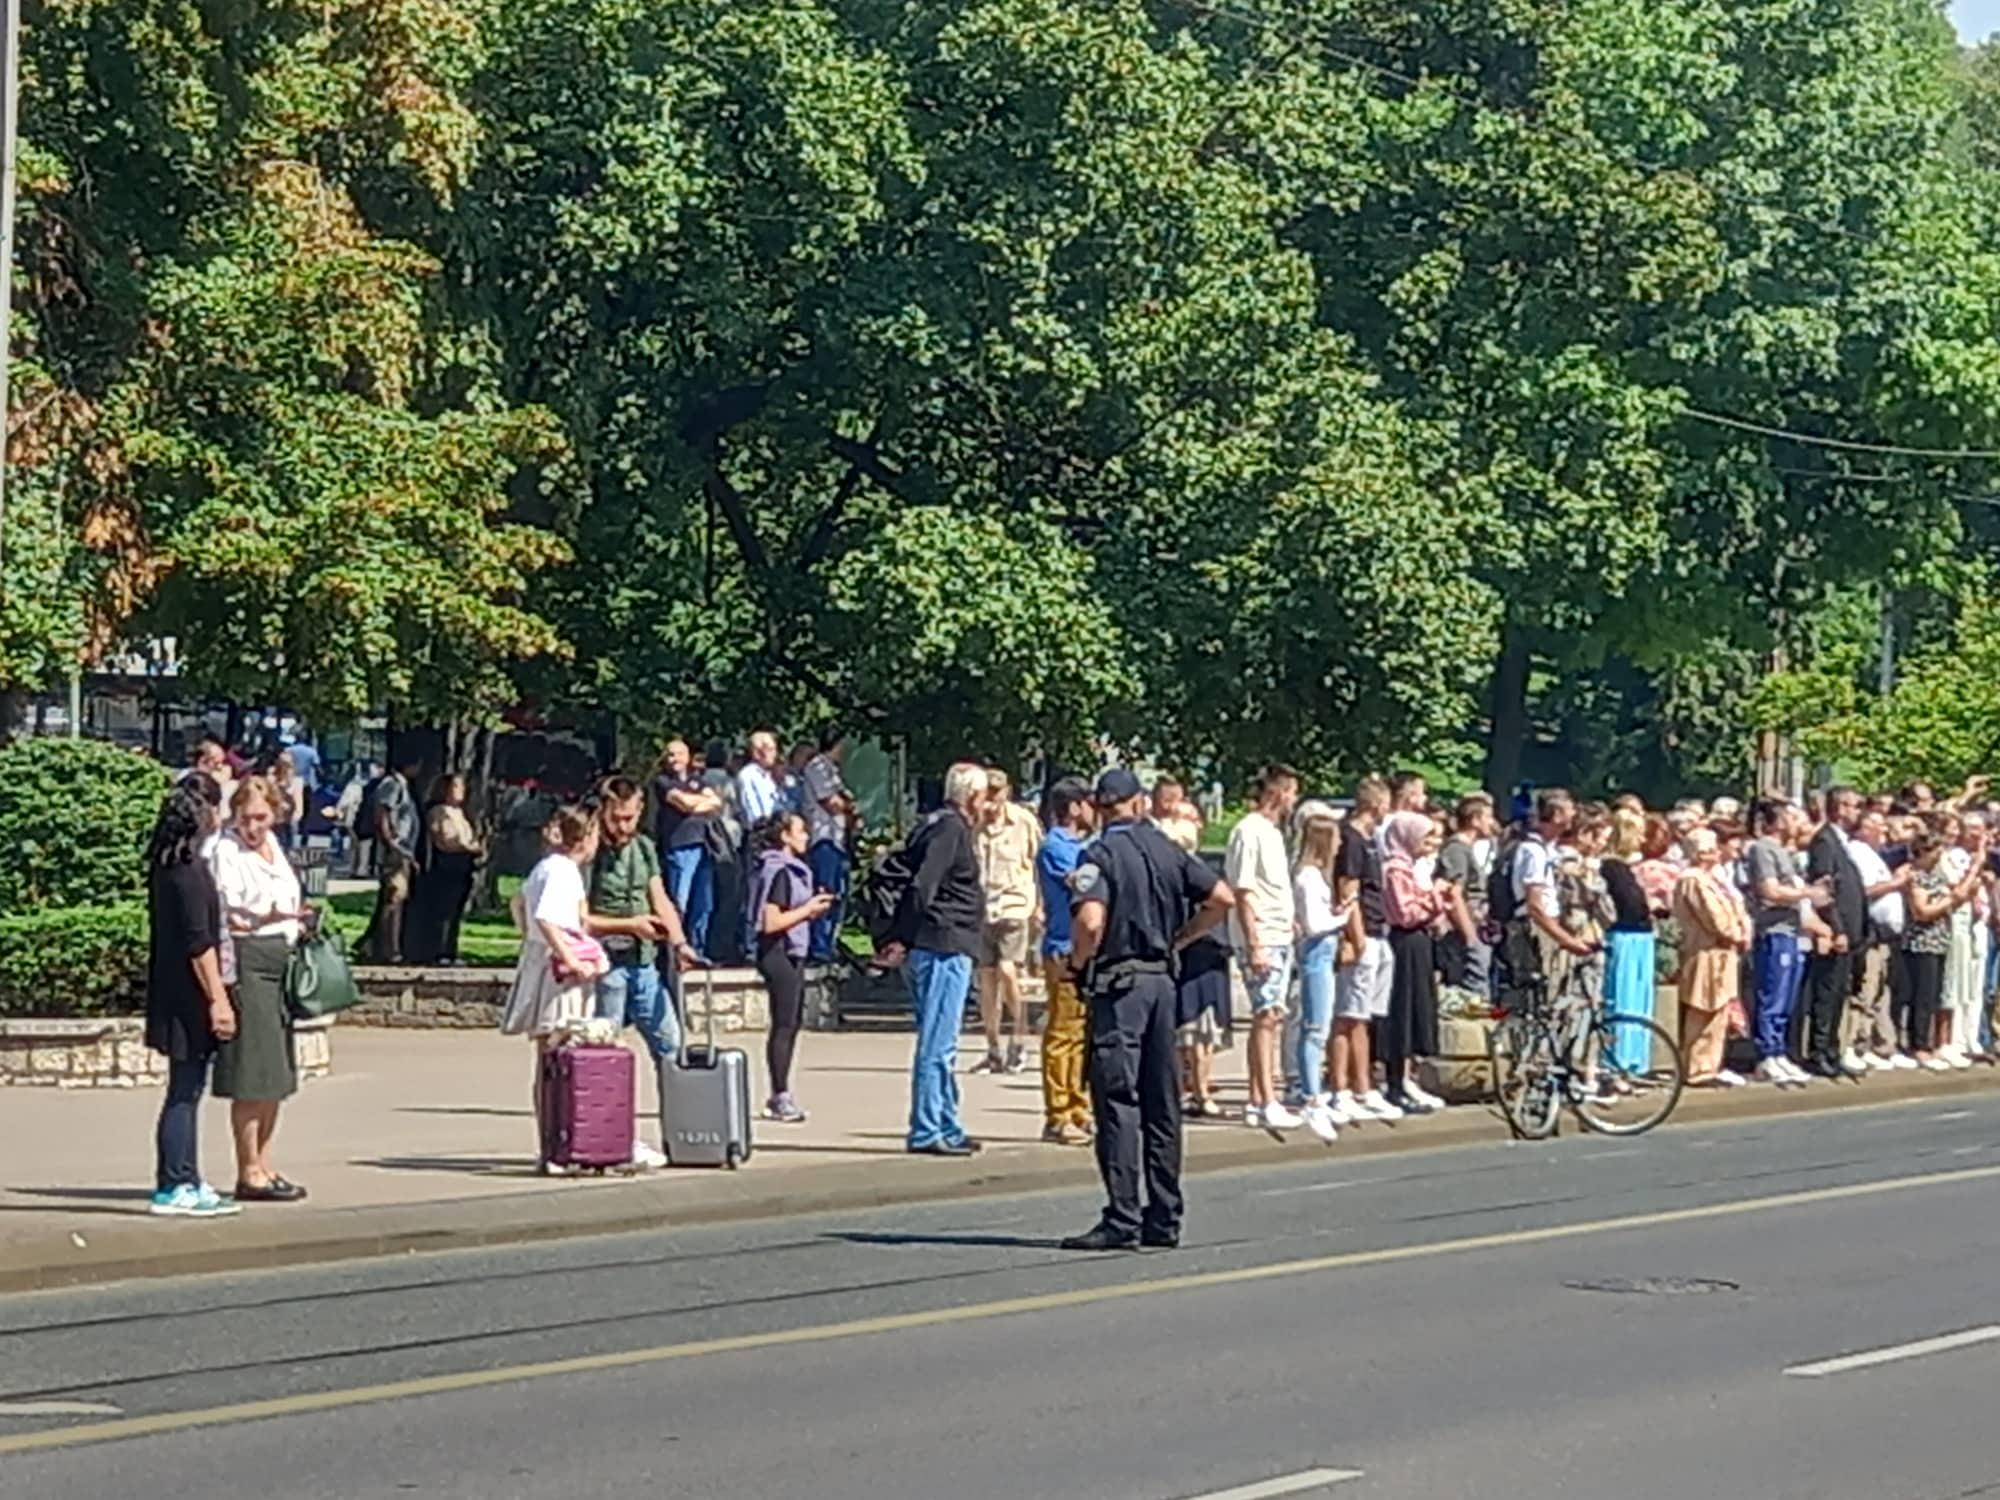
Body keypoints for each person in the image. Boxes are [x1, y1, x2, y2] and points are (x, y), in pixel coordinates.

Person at [1059, 767, 1234, 1252]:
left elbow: (1091, 922)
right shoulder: (1166, 848)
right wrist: (1183, 937)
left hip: (1120, 987)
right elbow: (1221, 898)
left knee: (1117, 1099)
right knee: (1163, 1101)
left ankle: (1122, 1217)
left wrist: (1075, 964)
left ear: (1098, 806)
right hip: (1163, 982)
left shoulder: (1097, 855)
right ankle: (1165, 1216)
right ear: (1138, 803)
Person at [210, 777, 312, 1202]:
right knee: (253, 1072)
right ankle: (247, 1169)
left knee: (276, 1075)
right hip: (248, 962)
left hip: (280, 960)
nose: (253, 827)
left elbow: (285, 901)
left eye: (262, 818)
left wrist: (295, 916)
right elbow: (235, 916)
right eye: (246, 817)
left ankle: (265, 1164)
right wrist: (276, 915)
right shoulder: (225, 851)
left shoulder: (275, 850)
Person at [587, 778, 699, 1162]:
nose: (623, 826)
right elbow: (579, 918)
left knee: (671, 1047)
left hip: (645, 962)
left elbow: (660, 898)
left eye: (631, 818)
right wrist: (630, 925)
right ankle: (608, 1139)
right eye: (617, 819)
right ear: (602, 811)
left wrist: (680, 942)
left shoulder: (644, 847)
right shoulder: (589, 849)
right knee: (604, 1056)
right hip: (605, 965)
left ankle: (683, 1133)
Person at [879, 762, 988, 1156]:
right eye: (984, 797)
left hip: (943, 944)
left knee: (944, 1042)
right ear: (972, 797)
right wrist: (903, 938)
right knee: (937, 1044)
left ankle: (946, 1121)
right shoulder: (950, 829)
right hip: (943, 945)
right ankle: (927, 1127)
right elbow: (924, 885)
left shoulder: (934, 824)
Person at [145, 775, 242, 1218]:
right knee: (185, 1090)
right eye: (216, 808)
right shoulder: (189, 871)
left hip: (171, 988)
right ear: (202, 813)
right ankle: (175, 1181)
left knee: (185, 1088)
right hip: (189, 995)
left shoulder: (167, 863)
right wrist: (218, 999)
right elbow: (199, 943)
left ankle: (184, 1177)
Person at [500, 806, 608, 1168]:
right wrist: (571, 958)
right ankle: (556, 1144)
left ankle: (554, 1143)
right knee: (558, 1055)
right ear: (586, 837)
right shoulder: (564, 872)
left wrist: (527, 940)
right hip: (558, 973)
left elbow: (518, 904)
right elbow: (548, 918)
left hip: (541, 962)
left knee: (550, 1059)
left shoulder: (545, 867)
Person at [1225, 764, 1301, 1130]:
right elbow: (1242, 889)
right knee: (1266, 1014)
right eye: (1291, 792)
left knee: (1272, 1014)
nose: (1294, 799)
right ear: (1277, 792)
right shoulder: (1248, 831)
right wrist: (1254, 942)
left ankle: (1259, 1099)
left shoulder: (1272, 833)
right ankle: (1266, 1097)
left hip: (1279, 932)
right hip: (1262, 936)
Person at [751, 810, 836, 1123]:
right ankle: (779, 1095)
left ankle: (781, 1093)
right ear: (785, 836)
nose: (806, 836)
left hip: (791, 951)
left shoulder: (790, 870)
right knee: (784, 1023)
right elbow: (770, 921)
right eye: (800, 831)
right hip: (779, 952)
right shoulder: (781, 871)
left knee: (791, 1021)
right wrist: (808, 910)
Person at [1333, 777, 1403, 1123]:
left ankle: (1364, 1086)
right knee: (1349, 1015)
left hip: (1380, 933)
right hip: (1363, 935)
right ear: (1377, 804)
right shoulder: (1351, 839)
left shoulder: (1371, 840)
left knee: (1367, 1015)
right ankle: (1344, 1087)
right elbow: (1349, 890)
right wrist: (1356, 939)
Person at [1037, 777, 1096, 1145]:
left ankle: (1077, 1105)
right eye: (1088, 803)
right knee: (1063, 1032)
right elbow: (1082, 881)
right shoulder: (1056, 845)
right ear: (1073, 808)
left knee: (1080, 1033)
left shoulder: (1082, 844)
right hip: (1063, 947)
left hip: (1081, 946)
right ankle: (1058, 1113)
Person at [1381, 809, 1454, 1113]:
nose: (1429, 843)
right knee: (1402, 1009)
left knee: (1417, 1008)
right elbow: (1404, 912)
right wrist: (1434, 898)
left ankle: (1408, 1077)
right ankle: (1394, 1081)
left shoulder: (1412, 867)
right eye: (1424, 837)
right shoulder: (1395, 869)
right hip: (1404, 942)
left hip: (1419, 941)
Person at [973, 767, 1041, 1075]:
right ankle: (993, 1048)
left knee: (1007, 970)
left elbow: (1039, 862)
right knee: (986, 980)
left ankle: (1019, 1034)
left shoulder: (1023, 822)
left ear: (1007, 793)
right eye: (987, 792)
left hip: (1015, 905)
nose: (991, 801)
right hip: (983, 908)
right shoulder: (973, 823)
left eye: (996, 792)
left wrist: (1041, 905)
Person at [1673, 828, 1747, 1087]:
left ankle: (1710, 1065)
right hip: (1706, 952)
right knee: (1704, 1007)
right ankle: (1696, 1069)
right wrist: (1735, 932)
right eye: (1712, 847)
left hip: (1723, 953)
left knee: (1719, 1011)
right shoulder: (1693, 880)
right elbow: (1714, 918)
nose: (1717, 851)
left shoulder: (1711, 878)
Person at [1803, 786, 1868, 1079]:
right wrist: (1836, 928)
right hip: (1835, 932)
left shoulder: (1842, 843)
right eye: (1854, 806)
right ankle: (1818, 1052)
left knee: (1840, 993)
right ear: (1840, 808)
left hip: (1852, 934)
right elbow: (1823, 889)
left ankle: (1831, 1048)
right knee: (1827, 993)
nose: (1858, 812)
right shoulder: (1824, 842)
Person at [1292, 814, 1346, 1141]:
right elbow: (1314, 923)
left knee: (1320, 1027)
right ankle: (1310, 1096)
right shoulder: (1308, 878)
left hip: (1324, 952)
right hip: (1317, 953)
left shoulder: (1314, 877)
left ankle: (1314, 1091)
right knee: (1315, 1028)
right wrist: (1343, 918)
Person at [1847, 809, 1912, 1069]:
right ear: (1863, 829)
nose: (1884, 832)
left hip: (1886, 935)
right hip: (1869, 931)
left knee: (1880, 991)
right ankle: (1857, 1044)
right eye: (1878, 827)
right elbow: (1864, 891)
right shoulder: (1857, 852)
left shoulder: (1875, 855)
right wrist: (1896, 884)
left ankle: (1880, 1043)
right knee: (1865, 989)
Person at [652, 739, 723, 958]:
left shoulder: (697, 780)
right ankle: (676, 954)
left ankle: (698, 950)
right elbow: (681, 802)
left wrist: (693, 806)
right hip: (679, 847)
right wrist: (698, 804)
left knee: (704, 903)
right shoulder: (662, 781)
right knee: (679, 902)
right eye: (671, 755)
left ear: (688, 756)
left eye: (679, 754)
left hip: (703, 846)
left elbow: (717, 803)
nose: (675, 759)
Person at [1601, 806, 1657, 1074]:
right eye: (1639, 835)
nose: (1642, 841)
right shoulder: (1611, 867)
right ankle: (1617, 1060)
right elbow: (1627, 904)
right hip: (1625, 937)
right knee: (1623, 1000)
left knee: (1639, 1003)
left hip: (1640, 937)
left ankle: (1634, 1060)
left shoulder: (1625, 868)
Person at [404, 774, 482, 966]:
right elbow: (447, 839)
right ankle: (439, 951)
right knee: (444, 910)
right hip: (448, 865)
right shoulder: (439, 811)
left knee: (455, 911)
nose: (461, 791)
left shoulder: (461, 813)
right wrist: (469, 846)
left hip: (463, 865)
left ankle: (450, 949)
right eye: (456, 786)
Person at [1902, 832, 1959, 1071]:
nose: (1938, 856)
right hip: (1921, 943)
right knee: (1922, 997)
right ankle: (1919, 1045)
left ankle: (1933, 1043)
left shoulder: (1937, 875)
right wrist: (1949, 901)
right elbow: (1921, 911)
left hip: (1939, 942)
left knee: (1934, 995)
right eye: (1934, 851)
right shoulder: (1914, 876)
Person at [800, 729, 857, 961]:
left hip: (837, 840)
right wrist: (850, 807)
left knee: (837, 894)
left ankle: (830, 942)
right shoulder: (818, 767)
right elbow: (831, 802)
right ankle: (818, 945)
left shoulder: (833, 771)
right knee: (824, 892)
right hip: (823, 840)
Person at [365, 746, 424, 963]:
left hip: (404, 850)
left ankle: (389, 946)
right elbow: (382, 813)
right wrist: (391, 843)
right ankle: (388, 950)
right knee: (394, 897)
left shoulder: (402, 785)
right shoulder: (392, 785)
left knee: (398, 898)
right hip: (396, 851)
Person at [1436, 793, 1497, 995]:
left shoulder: (1467, 849)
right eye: (1488, 817)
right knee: (1474, 988)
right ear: (1474, 819)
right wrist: (1470, 936)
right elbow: (1454, 893)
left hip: (1478, 925)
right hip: (1464, 929)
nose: (1492, 823)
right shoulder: (1457, 850)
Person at [734, 732, 784, 955]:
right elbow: (756, 814)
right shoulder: (749, 776)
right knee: (756, 891)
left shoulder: (768, 777)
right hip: (760, 837)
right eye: (772, 749)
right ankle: (750, 946)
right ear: (757, 751)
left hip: (774, 836)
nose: (775, 753)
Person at [269, 750, 305, 852]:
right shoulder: (271, 779)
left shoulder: (297, 781)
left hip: (289, 820)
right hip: (274, 819)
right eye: (281, 764)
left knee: (289, 849)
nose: (284, 767)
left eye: (287, 764)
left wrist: (295, 817)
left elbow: (298, 803)